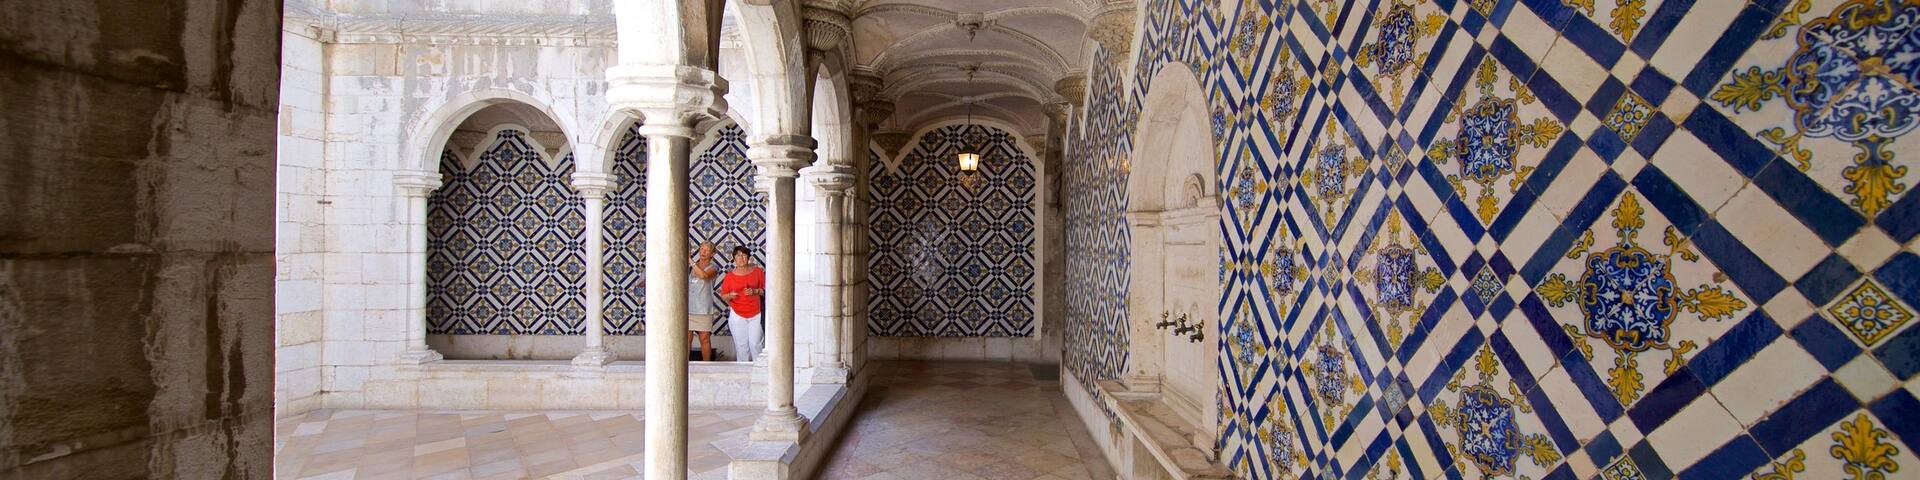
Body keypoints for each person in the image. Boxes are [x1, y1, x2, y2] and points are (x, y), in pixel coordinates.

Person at [717, 246, 765, 362]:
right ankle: (743, 372)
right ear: (734, 258)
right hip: (737, 314)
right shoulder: (730, 276)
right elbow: (723, 295)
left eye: (744, 255)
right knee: (741, 346)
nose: (741, 258)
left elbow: (766, 290)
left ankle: (759, 370)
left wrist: (755, 291)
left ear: (748, 257)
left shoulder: (758, 272)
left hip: (756, 313)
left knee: (755, 344)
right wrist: (730, 295)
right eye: (738, 255)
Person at [687, 242, 721, 361]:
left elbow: (704, 276)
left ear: (713, 253)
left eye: (707, 250)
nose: (703, 252)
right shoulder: (691, 266)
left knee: (704, 338)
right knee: (686, 339)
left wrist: (690, 261)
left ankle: (707, 366)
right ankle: (684, 365)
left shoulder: (714, 267)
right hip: (688, 307)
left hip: (703, 308)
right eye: (702, 249)